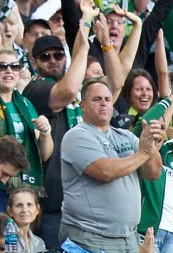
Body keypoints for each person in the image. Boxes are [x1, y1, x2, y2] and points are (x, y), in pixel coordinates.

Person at [61, 77, 162, 253]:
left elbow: (153, 174)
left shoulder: (126, 135)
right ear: (83, 105)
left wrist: (151, 145)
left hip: (128, 237)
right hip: (90, 236)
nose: (103, 103)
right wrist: (143, 153)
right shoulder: (76, 135)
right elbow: (105, 171)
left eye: (107, 99)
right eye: (96, 99)